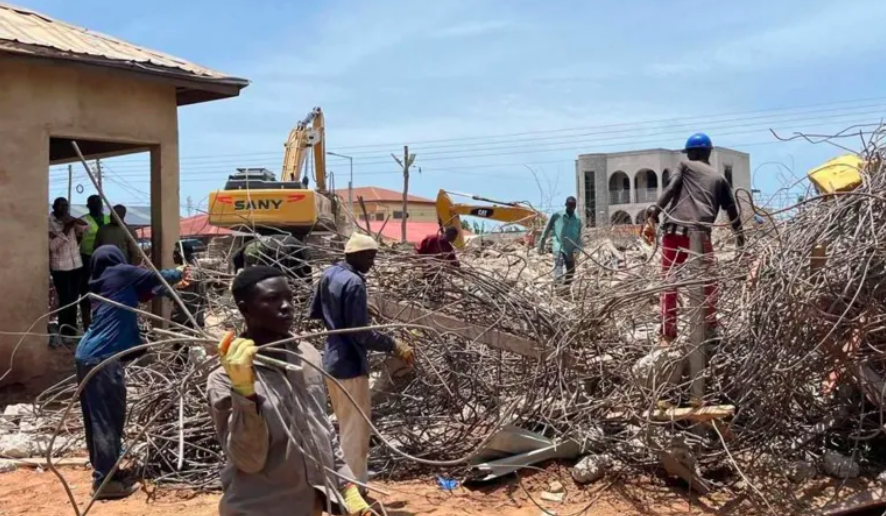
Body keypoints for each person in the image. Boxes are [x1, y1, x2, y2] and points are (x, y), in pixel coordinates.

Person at [208, 266, 372, 516]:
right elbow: (248, 459)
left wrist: (346, 484)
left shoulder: (307, 356)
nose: (286, 306)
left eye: (289, 298)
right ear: (244, 308)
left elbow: (321, 429)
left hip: (308, 508)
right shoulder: (224, 379)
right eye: (272, 299)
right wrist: (244, 391)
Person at [74, 246, 185, 500]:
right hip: (103, 357)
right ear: (116, 259)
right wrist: (178, 273)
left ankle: (108, 472)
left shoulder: (104, 281)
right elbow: (158, 277)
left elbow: (145, 291)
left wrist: (170, 283)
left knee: (97, 419)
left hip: (88, 354)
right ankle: (105, 482)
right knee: (107, 419)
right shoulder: (120, 273)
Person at [309, 233, 414, 488]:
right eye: (369, 256)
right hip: (350, 365)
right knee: (355, 432)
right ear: (354, 255)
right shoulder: (355, 283)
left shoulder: (329, 274)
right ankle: (352, 488)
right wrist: (394, 345)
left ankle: (340, 482)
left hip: (331, 359)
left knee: (344, 424)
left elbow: (315, 313)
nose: (372, 262)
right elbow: (359, 333)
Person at [644, 132, 744, 346]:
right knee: (709, 282)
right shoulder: (720, 179)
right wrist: (741, 241)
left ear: (691, 153)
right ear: (708, 152)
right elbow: (732, 212)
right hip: (699, 234)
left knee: (670, 282)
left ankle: (667, 334)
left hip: (674, 231)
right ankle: (709, 326)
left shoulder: (684, 166)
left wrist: (653, 215)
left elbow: (671, 189)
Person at [49, 197, 87, 338]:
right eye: (61, 206)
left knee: (74, 299)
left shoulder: (69, 220)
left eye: (66, 206)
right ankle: (64, 331)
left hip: (76, 265)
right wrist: (65, 229)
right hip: (60, 267)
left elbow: (84, 229)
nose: (64, 208)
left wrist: (76, 225)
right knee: (65, 299)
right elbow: (52, 246)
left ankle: (72, 330)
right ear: (54, 207)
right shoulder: (49, 223)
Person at [78, 195, 111, 329]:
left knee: (104, 292)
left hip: (106, 261)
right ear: (88, 206)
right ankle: (87, 323)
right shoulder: (83, 220)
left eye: (98, 202)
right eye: (93, 203)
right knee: (86, 291)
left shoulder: (109, 219)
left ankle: (102, 322)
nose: (96, 205)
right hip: (87, 259)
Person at [537, 196, 583, 287]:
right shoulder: (557, 215)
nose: (571, 208)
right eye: (570, 205)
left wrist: (577, 250)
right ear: (566, 205)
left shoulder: (577, 219)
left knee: (571, 271)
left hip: (571, 249)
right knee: (559, 266)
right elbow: (547, 229)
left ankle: (565, 289)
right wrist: (541, 243)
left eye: (573, 206)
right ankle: (558, 287)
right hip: (559, 245)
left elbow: (579, 237)